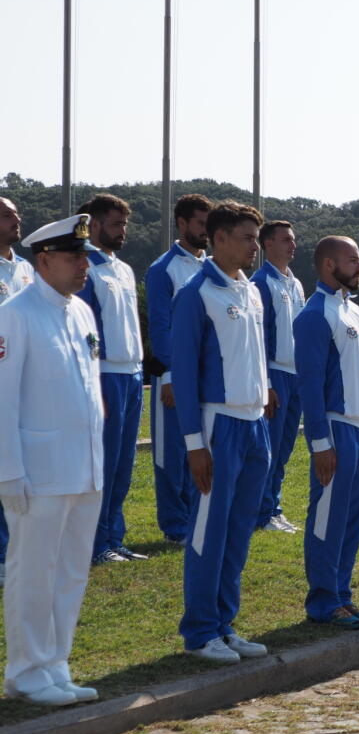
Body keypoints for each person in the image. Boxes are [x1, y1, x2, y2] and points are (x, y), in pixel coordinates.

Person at [0, 214, 104, 706]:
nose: (85, 265)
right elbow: (3, 400)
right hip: (37, 470)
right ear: (44, 260)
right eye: (74, 256)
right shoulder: (14, 313)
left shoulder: (80, 311)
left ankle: (55, 662)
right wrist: (9, 470)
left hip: (82, 466)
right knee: (33, 569)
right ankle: (25, 669)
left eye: (85, 256)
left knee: (70, 570)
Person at [171, 201, 272, 663]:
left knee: (238, 530)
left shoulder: (249, 289)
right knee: (208, 532)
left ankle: (225, 623)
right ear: (220, 239)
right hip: (218, 424)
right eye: (248, 237)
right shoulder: (197, 293)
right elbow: (185, 375)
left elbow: (256, 353)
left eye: (257, 237)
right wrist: (195, 444)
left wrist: (265, 394)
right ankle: (200, 632)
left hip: (254, 425)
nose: (256, 246)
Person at [294, 236, 359, 629]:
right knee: (328, 517)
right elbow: (309, 385)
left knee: (353, 518)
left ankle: (342, 594)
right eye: (353, 260)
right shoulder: (315, 314)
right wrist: (321, 443)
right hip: (337, 429)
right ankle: (324, 600)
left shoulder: (356, 313)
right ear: (328, 265)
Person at [76, 194, 146, 566]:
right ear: (95, 224)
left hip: (133, 374)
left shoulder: (123, 268)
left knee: (124, 463)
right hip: (105, 375)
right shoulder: (85, 266)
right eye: (116, 224)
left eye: (125, 224)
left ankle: (114, 537)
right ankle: (94, 542)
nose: (123, 232)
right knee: (102, 463)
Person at [145, 193, 213, 546]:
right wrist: (170, 375)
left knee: (200, 449)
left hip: (206, 380)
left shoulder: (213, 267)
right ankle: (175, 527)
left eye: (209, 224)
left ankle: (196, 517)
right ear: (183, 223)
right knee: (171, 454)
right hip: (174, 379)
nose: (206, 230)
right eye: (200, 223)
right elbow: (160, 326)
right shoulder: (163, 268)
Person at [251, 220, 306, 534]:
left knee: (284, 447)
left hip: (295, 374)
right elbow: (260, 337)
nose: (292, 245)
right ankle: (261, 513)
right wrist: (267, 384)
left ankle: (274, 507)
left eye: (293, 239)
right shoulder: (262, 282)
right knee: (269, 447)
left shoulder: (295, 283)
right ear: (267, 244)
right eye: (286, 239)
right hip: (275, 375)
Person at [0, 196, 35, 588]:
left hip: (27, 383)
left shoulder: (26, 270)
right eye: (7, 215)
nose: (16, 219)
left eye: (16, 213)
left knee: (21, 467)